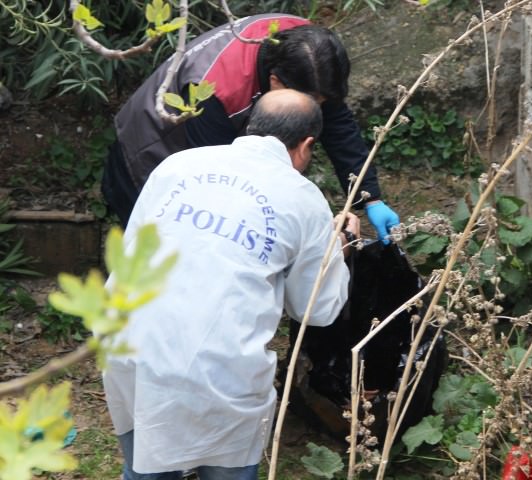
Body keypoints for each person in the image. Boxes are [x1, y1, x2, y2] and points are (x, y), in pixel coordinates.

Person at [103, 89, 360, 479]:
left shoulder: (178, 164)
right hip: (219, 368)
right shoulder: (304, 200)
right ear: (307, 145)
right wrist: (337, 250)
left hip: (129, 341)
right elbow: (316, 310)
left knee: (145, 468)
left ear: (251, 124)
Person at [102, 13, 399, 242]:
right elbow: (219, 182)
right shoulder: (214, 90)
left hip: (202, 143)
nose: (317, 111)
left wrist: (369, 196)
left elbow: (337, 123)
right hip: (148, 156)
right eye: (312, 103)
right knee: (176, 250)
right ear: (276, 82)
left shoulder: (310, 50)